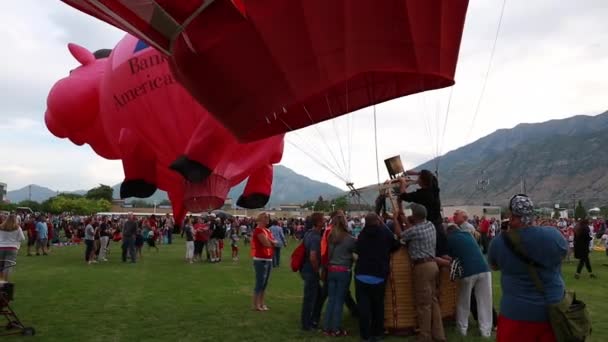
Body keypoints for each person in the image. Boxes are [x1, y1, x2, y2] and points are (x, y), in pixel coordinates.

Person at [488, 194, 567, 342]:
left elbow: (494, 265)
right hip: (553, 312)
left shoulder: (499, 242)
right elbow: (564, 253)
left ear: (511, 216)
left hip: (516, 314)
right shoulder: (553, 235)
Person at [401, 203, 446, 342]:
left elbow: (401, 235)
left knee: (423, 304)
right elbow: (413, 230)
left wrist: (399, 220)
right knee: (433, 301)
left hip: (422, 267)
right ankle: (439, 335)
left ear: (414, 215)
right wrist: (406, 219)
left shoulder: (415, 230)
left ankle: (424, 337)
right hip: (433, 265)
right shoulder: (430, 225)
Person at [354, 213, 399, 342]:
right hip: (378, 275)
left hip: (361, 274)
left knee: (364, 307)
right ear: (378, 221)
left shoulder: (362, 234)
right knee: (378, 306)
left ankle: (365, 335)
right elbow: (396, 245)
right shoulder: (385, 233)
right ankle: (377, 333)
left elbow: (357, 249)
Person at [446, 221, 493, 338]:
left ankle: (462, 330)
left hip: (468, 272)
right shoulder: (468, 235)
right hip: (485, 269)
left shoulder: (450, 239)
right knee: (485, 301)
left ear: (448, 232)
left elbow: (449, 257)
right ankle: (486, 331)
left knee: (463, 302)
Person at [398, 170, 450, 266]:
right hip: (439, 225)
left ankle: (452, 267)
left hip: (430, 227)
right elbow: (431, 175)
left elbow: (403, 196)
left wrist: (403, 183)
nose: (417, 180)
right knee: (444, 253)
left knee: (433, 257)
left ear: (422, 181)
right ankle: (455, 267)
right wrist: (416, 173)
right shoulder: (433, 187)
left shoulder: (423, 195)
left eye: (418, 178)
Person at [322, 215, 356, 337]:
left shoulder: (330, 237)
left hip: (331, 270)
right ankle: (336, 328)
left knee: (331, 300)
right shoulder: (350, 239)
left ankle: (326, 328)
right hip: (343, 271)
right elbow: (357, 251)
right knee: (339, 301)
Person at [301, 212, 324, 331]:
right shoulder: (315, 237)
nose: (325, 221)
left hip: (305, 269)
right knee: (310, 298)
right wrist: (317, 271)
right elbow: (313, 257)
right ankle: (306, 324)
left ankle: (313, 319)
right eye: (323, 219)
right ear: (319, 222)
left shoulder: (308, 234)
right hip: (311, 270)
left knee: (319, 295)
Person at [251, 212, 275, 311]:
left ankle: (261, 303)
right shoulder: (258, 230)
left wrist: (272, 242)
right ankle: (256, 304)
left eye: (268, 217)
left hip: (268, 258)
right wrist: (272, 243)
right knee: (260, 282)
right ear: (260, 219)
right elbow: (267, 244)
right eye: (265, 217)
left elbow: (273, 242)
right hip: (260, 259)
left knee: (265, 283)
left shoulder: (267, 230)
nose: (268, 219)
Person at [0, 214, 25, 281]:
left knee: (0, 266)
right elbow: (22, 238)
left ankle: (1, 281)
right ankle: (5, 282)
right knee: (8, 266)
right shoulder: (17, 228)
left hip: (1, 247)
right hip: (12, 248)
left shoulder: (1, 227)